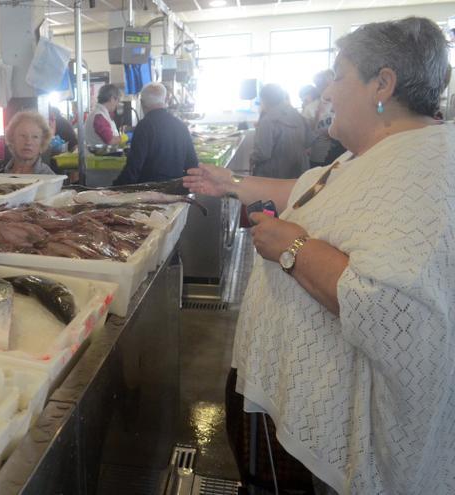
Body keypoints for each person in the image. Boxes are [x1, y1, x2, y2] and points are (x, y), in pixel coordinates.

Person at [184, 17, 455, 494]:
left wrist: (292, 248)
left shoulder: (418, 171)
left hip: (358, 444)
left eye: (338, 74)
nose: (327, 91)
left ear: (382, 84)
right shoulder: (372, 155)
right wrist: (231, 185)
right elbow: (310, 189)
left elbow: (393, 311)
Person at [113, 83, 197, 185]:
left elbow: (134, 167)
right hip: (176, 192)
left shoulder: (144, 126)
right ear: (165, 100)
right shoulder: (180, 125)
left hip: (149, 193)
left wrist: (115, 188)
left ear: (142, 103)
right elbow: (192, 165)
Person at [250, 83, 312, 179]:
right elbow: (309, 141)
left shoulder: (268, 120)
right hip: (299, 173)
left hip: (274, 176)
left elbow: (262, 153)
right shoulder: (296, 114)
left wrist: (251, 158)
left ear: (264, 100)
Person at [308, 69, 337, 167]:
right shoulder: (311, 108)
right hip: (318, 155)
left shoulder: (343, 103)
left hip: (340, 153)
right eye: (321, 85)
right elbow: (306, 135)